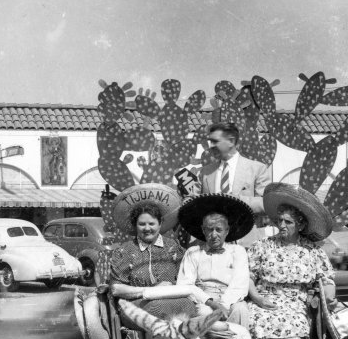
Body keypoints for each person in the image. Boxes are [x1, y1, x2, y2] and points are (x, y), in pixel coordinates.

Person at [247, 183, 337, 339]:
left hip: (296, 301)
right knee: (250, 321)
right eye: (279, 221)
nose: (282, 225)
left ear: (300, 224)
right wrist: (257, 298)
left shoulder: (311, 250)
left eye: (288, 222)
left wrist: (329, 295)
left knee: (295, 329)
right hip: (265, 297)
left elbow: (327, 278)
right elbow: (248, 277)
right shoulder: (264, 245)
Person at [98, 183, 192, 320]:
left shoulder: (174, 248)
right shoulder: (124, 251)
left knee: (189, 306)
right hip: (134, 307)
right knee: (157, 308)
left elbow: (186, 280)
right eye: (142, 224)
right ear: (135, 226)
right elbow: (116, 289)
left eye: (152, 224)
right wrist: (150, 292)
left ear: (160, 224)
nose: (147, 228)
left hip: (171, 302)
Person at [175, 193, 255, 325]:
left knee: (241, 310)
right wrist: (212, 303)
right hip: (203, 299)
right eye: (209, 230)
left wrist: (224, 304)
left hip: (230, 297)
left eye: (218, 230)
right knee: (205, 313)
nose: (214, 235)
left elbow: (239, 284)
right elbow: (185, 285)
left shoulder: (238, 252)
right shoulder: (193, 252)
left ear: (227, 231)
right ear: (203, 230)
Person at [198, 122, 272, 245]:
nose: (211, 146)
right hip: (212, 244)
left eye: (215, 141)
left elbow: (267, 203)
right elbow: (195, 203)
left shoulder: (257, 169)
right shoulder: (205, 172)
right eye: (210, 142)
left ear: (231, 141)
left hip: (247, 243)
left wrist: (236, 200)